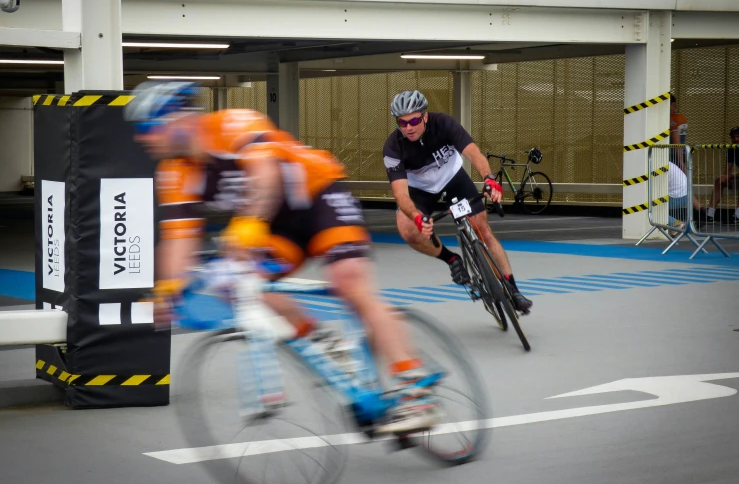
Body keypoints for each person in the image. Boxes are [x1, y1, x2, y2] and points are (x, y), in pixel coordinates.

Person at [124, 81, 440, 434]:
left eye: (147, 128)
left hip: (318, 197)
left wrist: (248, 224)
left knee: (349, 282)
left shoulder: (231, 124)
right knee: (240, 286)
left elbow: (266, 175)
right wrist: (167, 287)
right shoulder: (174, 173)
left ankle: (415, 389)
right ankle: (321, 341)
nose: (142, 138)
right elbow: (178, 239)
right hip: (278, 225)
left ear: (178, 120)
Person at [382, 90, 532, 313]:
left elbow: (474, 154)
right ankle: (451, 258)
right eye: (402, 123)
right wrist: (418, 217)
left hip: (452, 178)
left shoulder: (444, 123)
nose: (409, 127)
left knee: (482, 229)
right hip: (419, 190)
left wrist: (489, 179)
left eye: (414, 120)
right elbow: (401, 194)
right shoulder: (393, 147)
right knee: (407, 229)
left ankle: (513, 289)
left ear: (425, 116)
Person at [669, 94, 702, 216]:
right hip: (681, 155)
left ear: (673, 104)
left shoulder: (673, 119)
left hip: (674, 157)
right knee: (685, 185)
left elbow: (676, 141)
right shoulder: (682, 118)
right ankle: (699, 211)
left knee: (681, 186)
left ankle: (698, 211)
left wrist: (680, 162)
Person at [706, 126, 739, 225]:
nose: (736, 139)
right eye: (733, 137)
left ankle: (737, 216)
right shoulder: (731, 148)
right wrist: (725, 178)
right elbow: (728, 169)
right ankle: (710, 215)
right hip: (736, 178)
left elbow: (730, 175)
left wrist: (730, 177)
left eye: (738, 136)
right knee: (719, 181)